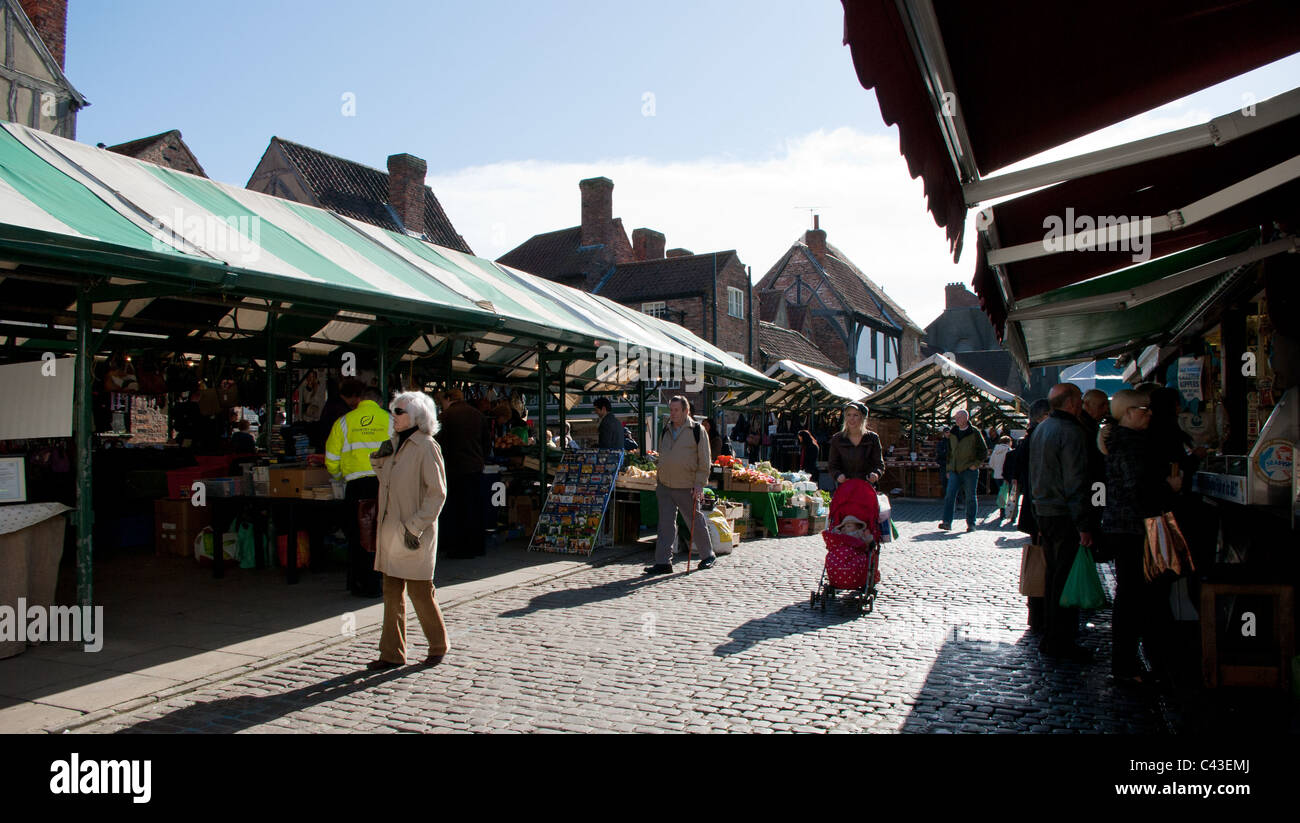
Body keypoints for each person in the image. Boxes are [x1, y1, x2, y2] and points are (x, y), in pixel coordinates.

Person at [366, 391, 450, 670]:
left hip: (413, 532)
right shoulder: (394, 444)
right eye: (394, 410)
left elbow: (437, 494)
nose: (394, 416)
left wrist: (414, 526)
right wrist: (378, 461)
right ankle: (391, 653)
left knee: (420, 591)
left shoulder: (426, 446)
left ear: (416, 415)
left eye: (399, 411)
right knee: (391, 593)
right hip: (391, 530)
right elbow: (388, 483)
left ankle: (438, 645)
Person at [1103, 389, 1180, 684]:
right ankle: (1130, 663)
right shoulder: (1131, 444)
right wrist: (1169, 489)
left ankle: (1133, 661)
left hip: (1126, 527)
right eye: (1143, 409)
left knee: (1134, 595)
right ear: (1128, 412)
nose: (1149, 413)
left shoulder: (1124, 441)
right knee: (1136, 596)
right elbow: (1140, 488)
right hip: (1134, 528)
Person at [1029, 383, 1095, 661]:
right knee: (1065, 578)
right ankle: (1060, 640)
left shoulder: (1042, 428)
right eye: (1079, 399)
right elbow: (1075, 480)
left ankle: (1051, 635)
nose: (1082, 403)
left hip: (1044, 510)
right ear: (1070, 403)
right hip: (1063, 513)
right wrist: (1084, 524)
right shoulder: (1071, 431)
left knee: (1054, 575)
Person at [326, 379, 391, 598]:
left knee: (357, 535)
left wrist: (339, 477)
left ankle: (358, 583)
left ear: (360, 400)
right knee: (381, 535)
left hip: (355, 486)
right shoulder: (390, 421)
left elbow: (331, 458)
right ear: (380, 403)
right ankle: (377, 583)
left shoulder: (344, 422)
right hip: (383, 485)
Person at [645, 396, 716, 575]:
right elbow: (663, 454)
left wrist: (699, 484)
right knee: (665, 525)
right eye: (671, 410)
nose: (673, 413)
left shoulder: (697, 431)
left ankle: (708, 555)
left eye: (676, 410)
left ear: (686, 411)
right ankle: (663, 562)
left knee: (695, 520)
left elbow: (705, 461)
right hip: (665, 485)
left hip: (687, 485)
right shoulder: (666, 430)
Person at [436, 388, 487, 559]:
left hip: (454, 468)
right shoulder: (477, 415)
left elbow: (438, 443)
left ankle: (460, 548)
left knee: (457, 510)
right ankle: (477, 546)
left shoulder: (445, 416)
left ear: (449, 399)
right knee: (475, 508)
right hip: (475, 467)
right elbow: (486, 442)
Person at [939, 409, 988, 532]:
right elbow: (949, 452)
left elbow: (983, 451)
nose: (957, 420)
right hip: (954, 470)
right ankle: (946, 522)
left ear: (966, 418)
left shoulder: (974, 432)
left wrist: (975, 465)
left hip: (969, 470)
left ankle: (971, 523)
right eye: (956, 418)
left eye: (959, 417)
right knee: (949, 496)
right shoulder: (953, 432)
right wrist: (949, 469)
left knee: (970, 497)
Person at [827, 402, 884, 486]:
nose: (851, 418)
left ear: (863, 418)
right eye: (848, 415)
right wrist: (837, 475)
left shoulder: (873, 438)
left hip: (867, 486)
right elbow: (832, 465)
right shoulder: (837, 438)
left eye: (855, 415)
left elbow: (879, 464)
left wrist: (876, 474)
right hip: (845, 486)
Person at [989, 435, 1011, 521]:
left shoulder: (995, 451)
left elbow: (991, 463)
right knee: (1007, 494)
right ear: (1008, 442)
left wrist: (996, 469)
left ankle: (1002, 510)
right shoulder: (1008, 450)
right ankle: (1005, 511)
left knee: (1000, 493)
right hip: (1006, 475)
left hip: (997, 475)